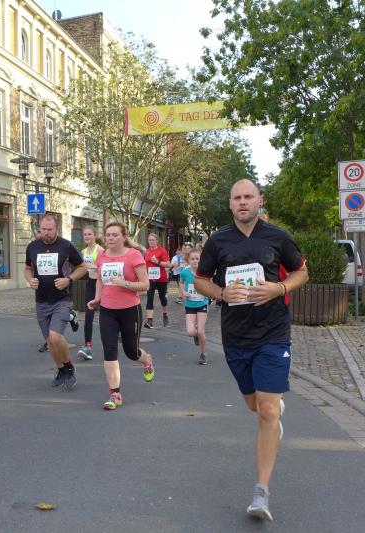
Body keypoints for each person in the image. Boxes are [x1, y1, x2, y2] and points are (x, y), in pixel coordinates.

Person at [194, 179, 308, 521]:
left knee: (267, 411)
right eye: (237, 198)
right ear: (230, 204)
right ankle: (270, 412)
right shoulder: (218, 241)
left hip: (273, 333)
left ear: (260, 200)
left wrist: (279, 288)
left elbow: (302, 272)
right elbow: (200, 279)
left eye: (248, 196)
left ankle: (261, 493)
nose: (243, 202)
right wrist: (220, 293)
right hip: (236, 336)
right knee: (254, 404)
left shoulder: (278, 236)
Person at [88, 221, 155, 410]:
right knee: (109, 351)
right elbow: (100, 279)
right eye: (108, 235)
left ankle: (147, 360)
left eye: (114, 235)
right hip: (107, 310)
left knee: (131, 352)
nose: (110, 238)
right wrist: (97, 298)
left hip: (129, 310)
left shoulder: (133, 255)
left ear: (123, 237)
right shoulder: (102, 256)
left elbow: (145, 285)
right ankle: (115, 393)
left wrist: (124, 283)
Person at [25, 214, 88, 389]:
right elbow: (28, 268)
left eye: (50, 229)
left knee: (55, 336)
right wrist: (30, 280)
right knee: (50, 341)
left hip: (62, 299)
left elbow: (82, 267)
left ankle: (69, 367)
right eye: (43, 229)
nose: (46, 233)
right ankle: (60, 369)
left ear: (57, 228)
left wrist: (69, 279)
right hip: (41, 300)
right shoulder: (33, 246)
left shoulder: (66, 246)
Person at [77, 227, 104, 361]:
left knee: (107, 315)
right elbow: (82, 268)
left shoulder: (100, 250)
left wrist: (95, 267)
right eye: (85, 234)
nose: (87, 236)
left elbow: (104, 268)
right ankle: (88, 346)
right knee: (89, 315)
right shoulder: (83, 251)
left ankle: (117, 335)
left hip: (103, 285)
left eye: (89, 234)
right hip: (91, 284)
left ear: (95, 236)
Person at [179, 249, 210, 365]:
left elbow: (210, 285)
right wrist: (183, 292)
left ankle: (203, 354)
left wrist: (207, 292)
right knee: (190, 332)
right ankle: (196, 335)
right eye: (192, 259)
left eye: (197, 259)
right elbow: (181, 283)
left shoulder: (205, 273)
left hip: (202, 303)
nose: (195, 261)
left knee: (201, 331)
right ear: (188, 260)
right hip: (190, 304)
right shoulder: (184, 272)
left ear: (201, 260)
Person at [143, 234, 172, 328]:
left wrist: (158, 262)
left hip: (161, 279)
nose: (151, 242)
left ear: (157, 241)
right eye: (149, 240)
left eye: (152, 240)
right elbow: (144, 265)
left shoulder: (162, 250)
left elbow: (168, 264)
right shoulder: (147, 252)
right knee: (149, 298)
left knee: (162, 298)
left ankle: (165, 313)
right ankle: (150, 321)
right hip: (150, 279)